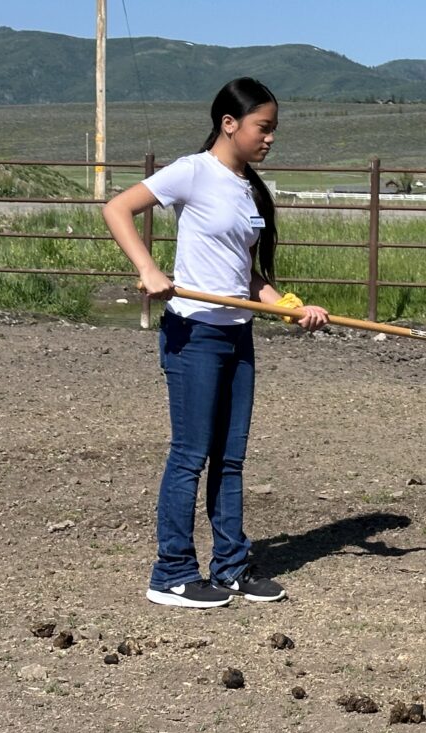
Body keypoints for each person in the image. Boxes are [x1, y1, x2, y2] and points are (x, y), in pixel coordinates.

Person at [103, 77, 330, 608]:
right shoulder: (192, 172)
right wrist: (149, 268)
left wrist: (291, 307)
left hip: (237, 335)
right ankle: (172, 573)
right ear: (230, 123)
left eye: (274, 130)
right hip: (194, 334)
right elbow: (117, 208)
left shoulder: (248, 187)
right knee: (190, 455)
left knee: (230, 459)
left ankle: (230, 567)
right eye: (263, 128)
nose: (270, 139)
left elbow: (244, 276)